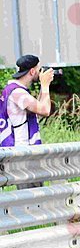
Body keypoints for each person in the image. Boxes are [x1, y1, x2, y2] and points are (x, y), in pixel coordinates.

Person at [0, 54, 54, 189]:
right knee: (32, 201)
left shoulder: (13, 89)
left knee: (31, 200)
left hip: (21, 153)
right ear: (32, 71)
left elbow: (38, 110)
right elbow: (45, 110)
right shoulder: (18, 93)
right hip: (23, 154)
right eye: (39, 69)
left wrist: (43, 86)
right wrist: (46, 85)